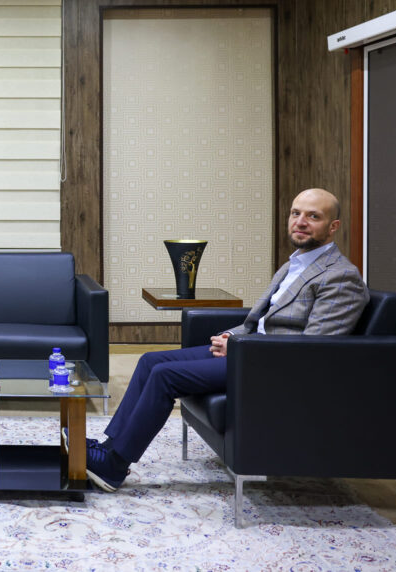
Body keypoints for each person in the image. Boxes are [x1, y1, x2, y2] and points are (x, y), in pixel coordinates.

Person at [85, 188, 370, 492]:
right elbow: (264, 321)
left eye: (314, 216)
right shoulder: (296, 264)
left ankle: (114, 464)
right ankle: (110, 444)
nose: (300, 221)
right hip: (252, 353)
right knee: (151, 360)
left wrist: (238, 348)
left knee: (165, 376)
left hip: (275, 368)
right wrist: (231, 336)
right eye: (295, 213)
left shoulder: (341, 278)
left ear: (333, 226)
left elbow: (312, 351)